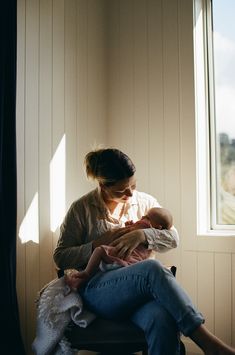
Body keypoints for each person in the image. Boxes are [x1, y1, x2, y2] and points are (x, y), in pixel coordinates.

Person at [53, 147, 235, 355]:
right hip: (99, 290)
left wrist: (143, 236)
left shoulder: (145, 203)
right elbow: (60, 257)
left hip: (139, 291)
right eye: (122, 190)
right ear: (103, 185)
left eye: (133, 185)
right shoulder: (81, 209)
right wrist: (95, 244)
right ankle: (208, 343)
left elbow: (173, 238)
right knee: (152, 267)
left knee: (162, 319)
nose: (131, 193)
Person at [64, 207, 173, 291]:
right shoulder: (82, 207)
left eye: (147, 218)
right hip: (134, 264)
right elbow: (61, 256)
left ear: (158, 228)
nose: (143, 218)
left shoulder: (145, 226)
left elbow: (174, 238)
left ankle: (87, 273)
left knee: (100, 250)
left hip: (124, 257)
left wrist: (138, 232)